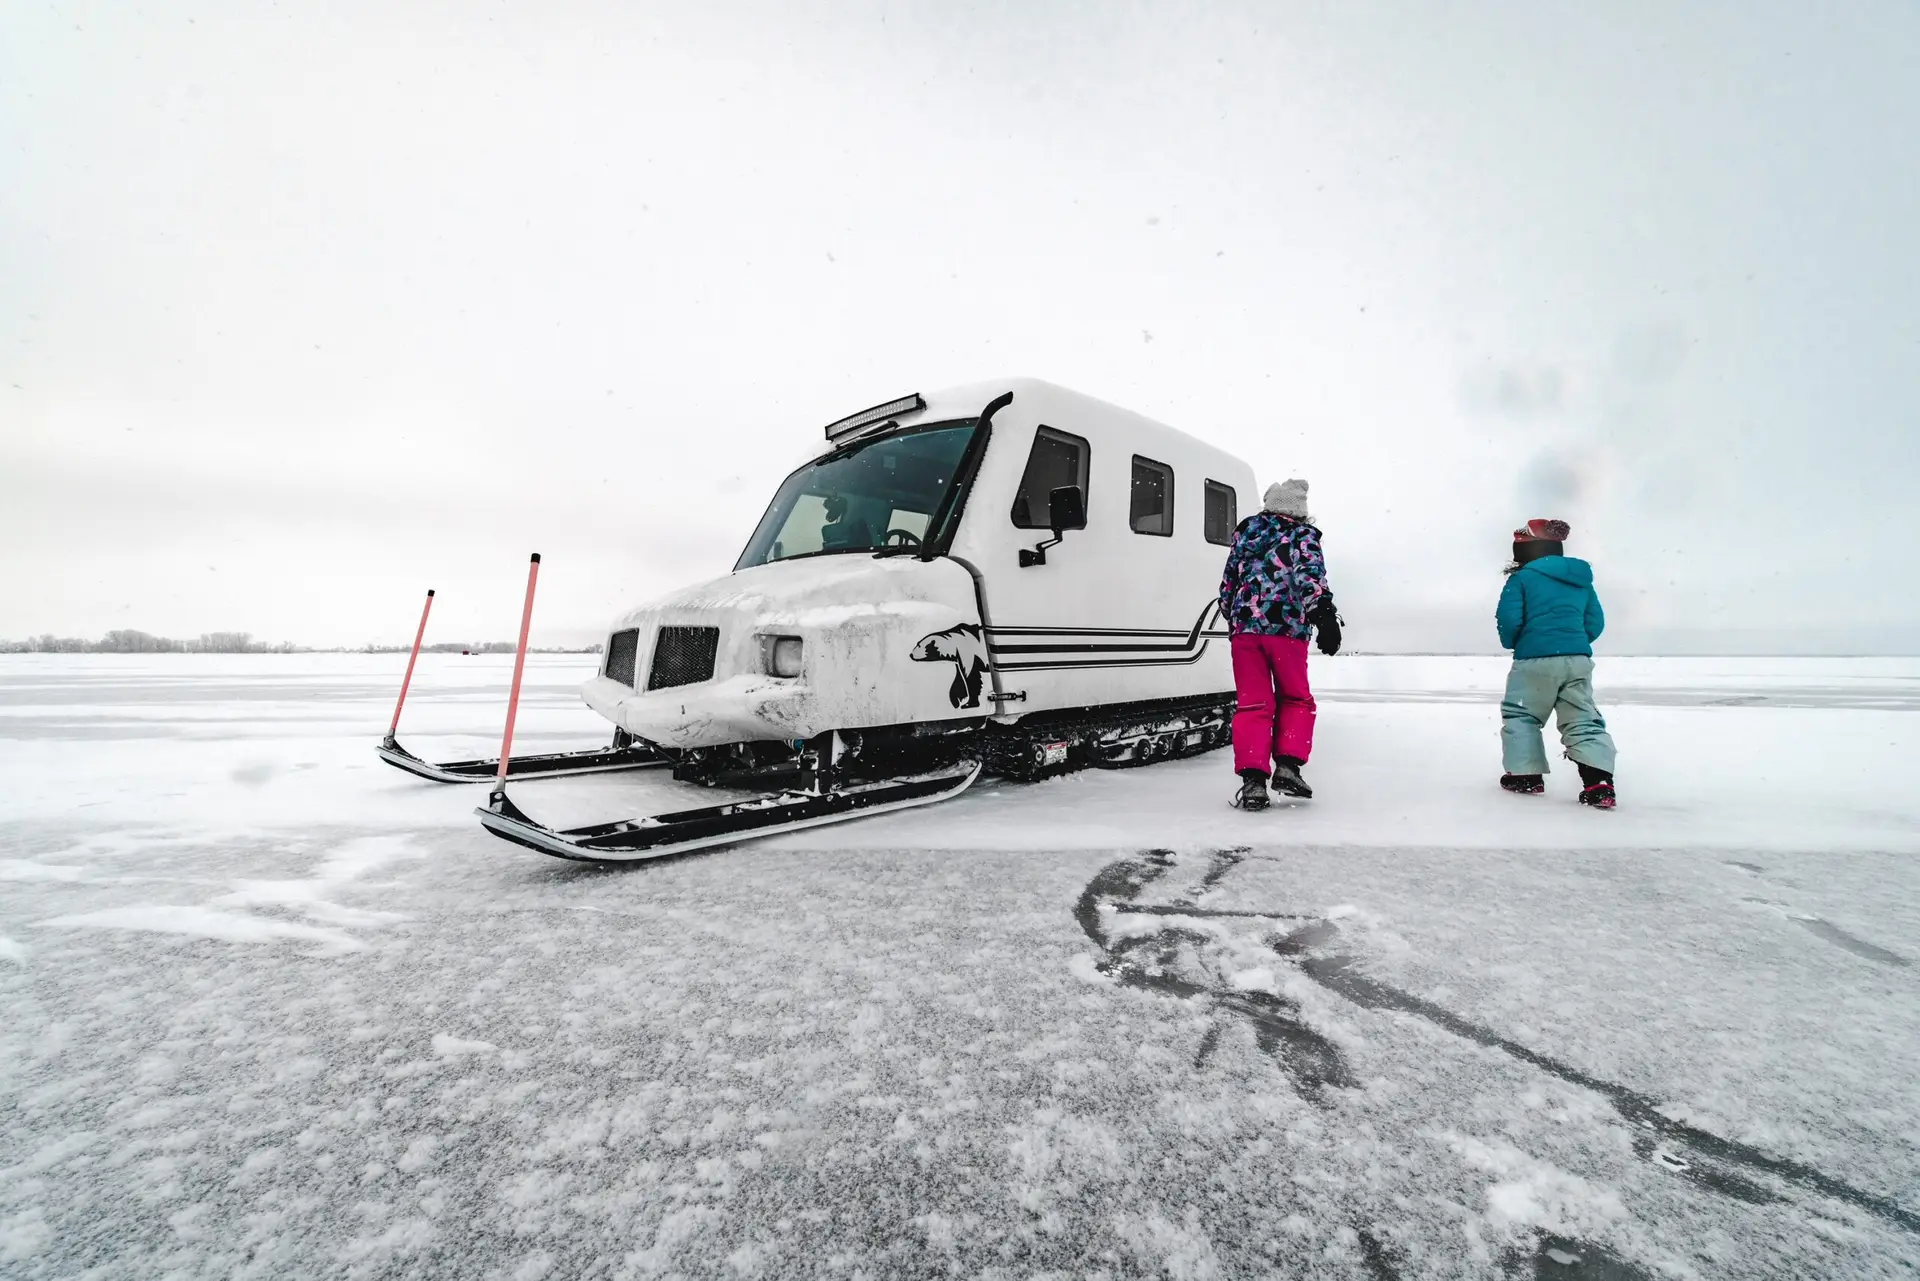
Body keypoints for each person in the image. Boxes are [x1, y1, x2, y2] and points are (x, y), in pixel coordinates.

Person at [1217, 478, 1342, 811]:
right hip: (1286, 630)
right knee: (1296, 698)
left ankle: (1254, 782)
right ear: (1300, 511)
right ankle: (1287, 766)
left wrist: (1236, 619)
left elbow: (1228, 583)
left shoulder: (1245, 534)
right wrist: (1323, 615)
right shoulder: (1303, 536)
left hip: (1245, 633)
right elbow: (1310, 576)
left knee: (1253, 704)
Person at [1495, 518, 1617, 808]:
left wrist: (1522, 641)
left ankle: (1526, 776)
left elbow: (1509, 621)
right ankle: (1598, 784)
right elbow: (1595, 622)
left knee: (1522, 715)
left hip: (1534, 659)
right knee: (1583, 719)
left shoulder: (1522, 579)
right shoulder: (1580, 580)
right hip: (1577, 659)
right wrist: (1571, 641)